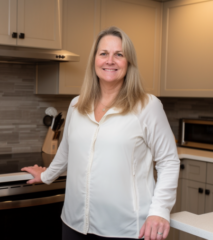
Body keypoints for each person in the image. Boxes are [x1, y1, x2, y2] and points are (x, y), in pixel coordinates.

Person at [22, 26, 180, 240]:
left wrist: (160, 211)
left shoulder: (147, 106)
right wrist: (47, 176)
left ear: (129, 62)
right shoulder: (76, 105)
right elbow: (66, 151)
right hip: (74, 223)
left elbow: (168, 161)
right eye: (103, 53)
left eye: (119, 55)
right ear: (94, 60)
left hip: (126, 229)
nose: (110, 60)